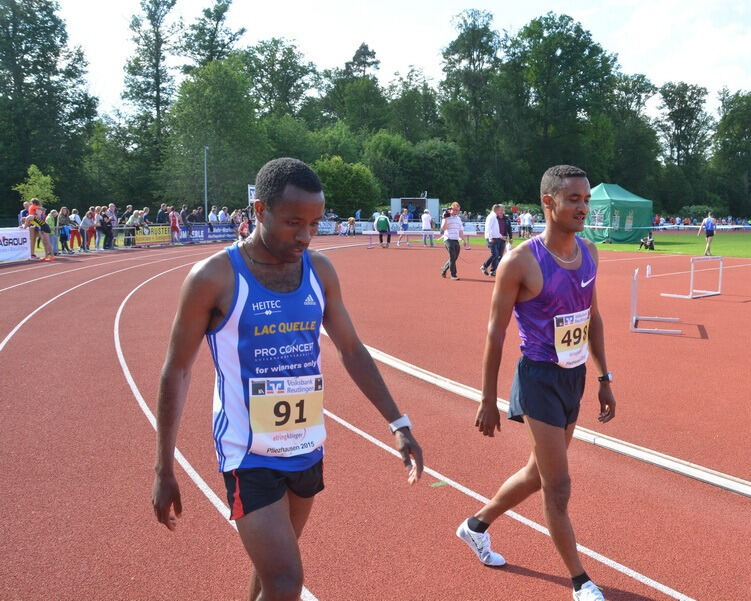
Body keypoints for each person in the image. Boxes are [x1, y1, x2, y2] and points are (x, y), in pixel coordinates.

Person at [152, 158, 424, 601]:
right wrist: (164, 464)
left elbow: (352, 349)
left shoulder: (318, 271)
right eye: (293, 222)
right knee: (285, 581)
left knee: (270, 573)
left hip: (305, 445)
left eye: (314, 223)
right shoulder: (213, 278)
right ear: (259, 211)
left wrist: (399, 423)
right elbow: (176, 370)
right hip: (247, 452)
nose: (305, 235)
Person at [456, 165, 615, 601]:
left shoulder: (591, 252)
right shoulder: (520, 261)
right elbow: (495, 332)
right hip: (539, 378)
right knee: (558, 486)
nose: (583, 207)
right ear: (549, 202)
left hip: (575, 376)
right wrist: (487, 399)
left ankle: (475, 526)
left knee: (536, 474)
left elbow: (592, 316)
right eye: (574, 200)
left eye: (586, 200)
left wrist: (604, 376)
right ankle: (580, 581)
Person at [440, 202, 464, 280]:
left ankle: (444, 269)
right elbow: (443, 229)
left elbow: (460, 230)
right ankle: (453, 275)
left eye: (458, 210)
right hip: (448, 239)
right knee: (452, 257)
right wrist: (446, 218)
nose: (456, 212)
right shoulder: (446, 217)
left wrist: (464, 240)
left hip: (456, 239)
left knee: (454, 257)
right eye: (455, 210)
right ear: (450, 209)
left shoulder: (458, 218)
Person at [481, 204, 505, 277]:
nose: (502, 211)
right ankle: (484, 266)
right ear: (497, 210)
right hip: (491, 238)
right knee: (495, 254)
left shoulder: (494, 216)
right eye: (501, 210)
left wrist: (501, 237)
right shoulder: (491, 217)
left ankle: (491, 270)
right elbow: (489, 228)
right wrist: (490, 238)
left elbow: (495, 230)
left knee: (495, 255)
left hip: (495, 238)